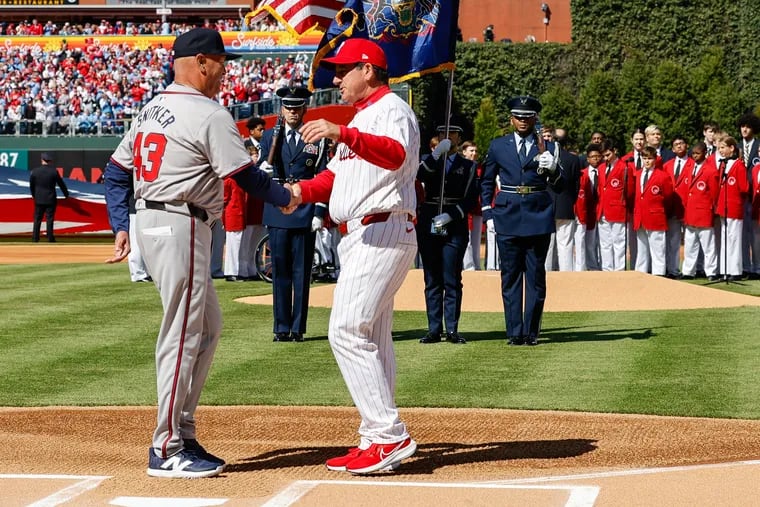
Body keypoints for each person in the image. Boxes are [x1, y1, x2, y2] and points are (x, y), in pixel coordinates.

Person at [103, 28, 294, 479]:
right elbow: (245, 176)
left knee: (207, 327)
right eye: (221, 65)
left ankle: (182, 431)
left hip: (156, 220)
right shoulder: (208, 113)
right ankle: (166, 446)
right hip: (181, 223)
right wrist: (287, 196)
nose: (224, 73)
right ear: (202, 62)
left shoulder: (151, 108)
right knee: (182, 333)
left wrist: (120, 226)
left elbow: (114, 174)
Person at [285, 38, 419, 474]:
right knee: (373, 338)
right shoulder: (364, 117)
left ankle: (389, 434)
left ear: (368, 69)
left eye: (343, 70)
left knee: (345, 330)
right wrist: (299, 192)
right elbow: (336, 179)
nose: (336, 78)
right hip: (365, 231)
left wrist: (342, 132)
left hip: (382, 227)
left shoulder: (392, 110)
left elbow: (395, 155)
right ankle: (375, 435)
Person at [481, 95, 564, 346]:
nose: (522, 121)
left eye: (527, 117)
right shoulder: (498, 146)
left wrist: (553, 170)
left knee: (536, 277)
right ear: (511, 119)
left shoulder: (548, 148)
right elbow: (486, 180)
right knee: (510, 276)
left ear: (534, 119)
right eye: (518, 116)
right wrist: (488, 212)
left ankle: (531, 332)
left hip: (538, 215)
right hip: (507, 215)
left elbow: (560, 186)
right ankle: (514, 331)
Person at [258, 86, 328, 342]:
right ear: (282, 110)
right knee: (281, 273)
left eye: (297, 108)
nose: (292, 112)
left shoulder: (317, 140)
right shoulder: (269, 137)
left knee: (301, 273)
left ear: (304, 110)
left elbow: (323, 177)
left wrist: (319, 211)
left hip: (305, 208)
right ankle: (281, 327)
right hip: (278, 208)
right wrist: (262, 171)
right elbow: (260, 167)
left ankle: (298, 327)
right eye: (288, 108)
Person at [416, 119, 479, 345]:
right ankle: (434, 329)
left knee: (452, 278)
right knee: (432, 277)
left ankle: (451, 329)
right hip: (429, 218)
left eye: (453, 134)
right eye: (444, 133)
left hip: (454, 223)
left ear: (459, 139)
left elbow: (471, 198)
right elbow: (420, 176)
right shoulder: (429, 161)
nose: (448, 137)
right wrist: (434, 156)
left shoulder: (468, 166)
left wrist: (452, 214)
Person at [682, 142, 719, 280]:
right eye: (693, 154)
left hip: (704, 212)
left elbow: (715, 194)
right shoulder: (690, 167)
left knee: (708, 245)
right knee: (690, 244)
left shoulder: (711, 170)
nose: (695, 156)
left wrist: (713, 210)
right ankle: (688, 271)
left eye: (698, 153)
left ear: (705, 153)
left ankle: (711, 272)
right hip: (691, 211)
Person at [633, 146, 673, 276]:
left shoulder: (662, 176)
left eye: (649, 158)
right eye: (644, 158)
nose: (647, 161)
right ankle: (641, 272)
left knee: (658, 247)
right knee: (642, 247)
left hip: (656, 215)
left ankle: (659, 273)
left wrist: (659, 209)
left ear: (655, 159)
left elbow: (668, 196)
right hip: (640, 215)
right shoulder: (637, 174)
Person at [597, 139, 635, 271]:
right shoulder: (601, 168)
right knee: (605, 243)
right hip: (603, 210)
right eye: (603, 155)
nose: (605, 158)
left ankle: (619, 269)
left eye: (608, 155)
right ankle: (607, 269)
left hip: (618, 208)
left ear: (615, 151)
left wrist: (624, 204)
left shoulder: (624, 167)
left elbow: (629, 190)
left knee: (619, 242)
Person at [546, 127, 580, 271]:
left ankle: (545, 274)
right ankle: (567, 276)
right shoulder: (573, 159)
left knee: (547, 245)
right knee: (565, 245)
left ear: (552, 139)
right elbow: (576, 186)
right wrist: (569, 200)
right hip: (565, 205)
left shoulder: (544, 157)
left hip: (546, 206)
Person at [715, 136, 749, 280]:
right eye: (719, 148)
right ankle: (725, 269)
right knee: (725, 239)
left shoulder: (739, 165)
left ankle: (735, 271)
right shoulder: (724, 165)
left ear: (731, 148)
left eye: (723, 147)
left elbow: (744, 188)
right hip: (724, 207)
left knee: (734, 240)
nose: (721, 151)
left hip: (734, 207)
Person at [663, 135, 693, 278]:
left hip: (688, 207)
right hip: (672, 207)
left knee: (691, 241)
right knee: (673, 241)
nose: (679, 146)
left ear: (686, 145)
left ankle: (690, 270)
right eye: (676, 144)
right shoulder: (667, 165)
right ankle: (673, 269)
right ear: (673, 149)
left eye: (681, 143)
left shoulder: (693, 164)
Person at [737, 113, 760, 278]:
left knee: (756, 234)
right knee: (742, 234)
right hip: (739, 197)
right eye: (742, 126)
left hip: (755, 197)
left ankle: (757, 267)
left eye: (748, 126)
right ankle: (745, 266)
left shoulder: (759, 146)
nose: (744, 129)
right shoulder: (735, 147)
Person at [29, 152, 69, 243]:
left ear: (42, 160)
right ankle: (50, 237)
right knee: (49, 218)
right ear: (50, 161)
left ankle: (35, 237)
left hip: (38, 198)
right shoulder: (54, 171)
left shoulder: (35, 171)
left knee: (37, 218)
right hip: (50, 198)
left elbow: (32, 185)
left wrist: (34, 195)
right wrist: (66, 194)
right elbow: (61, 184)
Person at [574, 143, 601, 270]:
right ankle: (587, 266)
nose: (595, 159)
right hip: (586, 209)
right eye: (592, 156)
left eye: (598, 156)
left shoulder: (604, 170)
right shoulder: (582, 173)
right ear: (587, 159)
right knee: (587, 241)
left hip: (601, 209)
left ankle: (597, 265)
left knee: (600, 242)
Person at [461, 141, 483, 271]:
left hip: (477, 206)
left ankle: (476, 265)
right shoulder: (461, 166)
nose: (474, 153)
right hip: (465, 207)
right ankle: (469, 267)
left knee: (476, 239)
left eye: (475, 151)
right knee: (466, 238)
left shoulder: (480, 167)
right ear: (464, 152)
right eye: (471, 151)